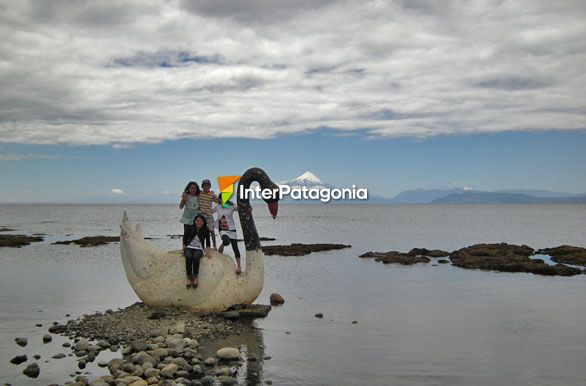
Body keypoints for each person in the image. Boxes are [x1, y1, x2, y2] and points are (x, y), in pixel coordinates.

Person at [182, 214, 212, 289]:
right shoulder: (190, 227)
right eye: (197, 221)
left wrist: (208, 251)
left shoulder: (205, 229)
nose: (199, 222)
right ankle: (189, 277)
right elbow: (184, 238)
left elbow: (208, 241)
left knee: (196, 257)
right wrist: (183, 249)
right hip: (189, 247)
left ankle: (195, 277)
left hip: (199, 249)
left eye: (201, 221)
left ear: (203, 222)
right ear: (195, 221)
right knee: (188, 256)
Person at [213, 197, 241, 274]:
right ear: (218, 199)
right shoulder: (217, 207)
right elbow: (210, 212)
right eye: (220, 198)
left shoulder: (230, 207)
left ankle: (239, 267)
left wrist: (232, 203)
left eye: (224, 198)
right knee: (226, 241)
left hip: (232, 229)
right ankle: (223, 244)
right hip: (222, 228)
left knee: (235, 248)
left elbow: (238, 209)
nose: (222, 200)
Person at [198, 178, 217, 249]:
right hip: (200, 215)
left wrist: (228, 205)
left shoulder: (212, 194)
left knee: (212, 230)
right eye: (204, 185)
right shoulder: (199, 193)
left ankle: (214, 246)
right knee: (200, 230)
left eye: (207, 185)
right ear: (202, 186)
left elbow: (218, 201)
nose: (206, 187)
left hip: (209, 215)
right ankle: (200, 245)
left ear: (210, 186)